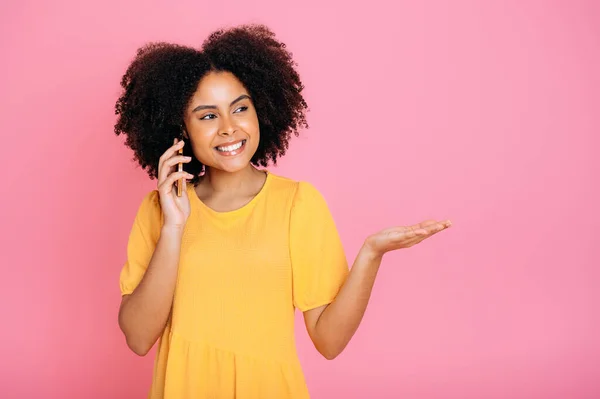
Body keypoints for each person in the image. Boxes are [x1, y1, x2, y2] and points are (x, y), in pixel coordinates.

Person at [115, 24, 451, 399]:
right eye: (208, 116)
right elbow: (139, 338)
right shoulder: (160, 210)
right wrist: (175, 227)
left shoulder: (297, 204)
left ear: (263, 109)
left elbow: (329, 341)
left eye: (240, 108)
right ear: (182, 130)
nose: (229, 128)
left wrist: (371, 253)